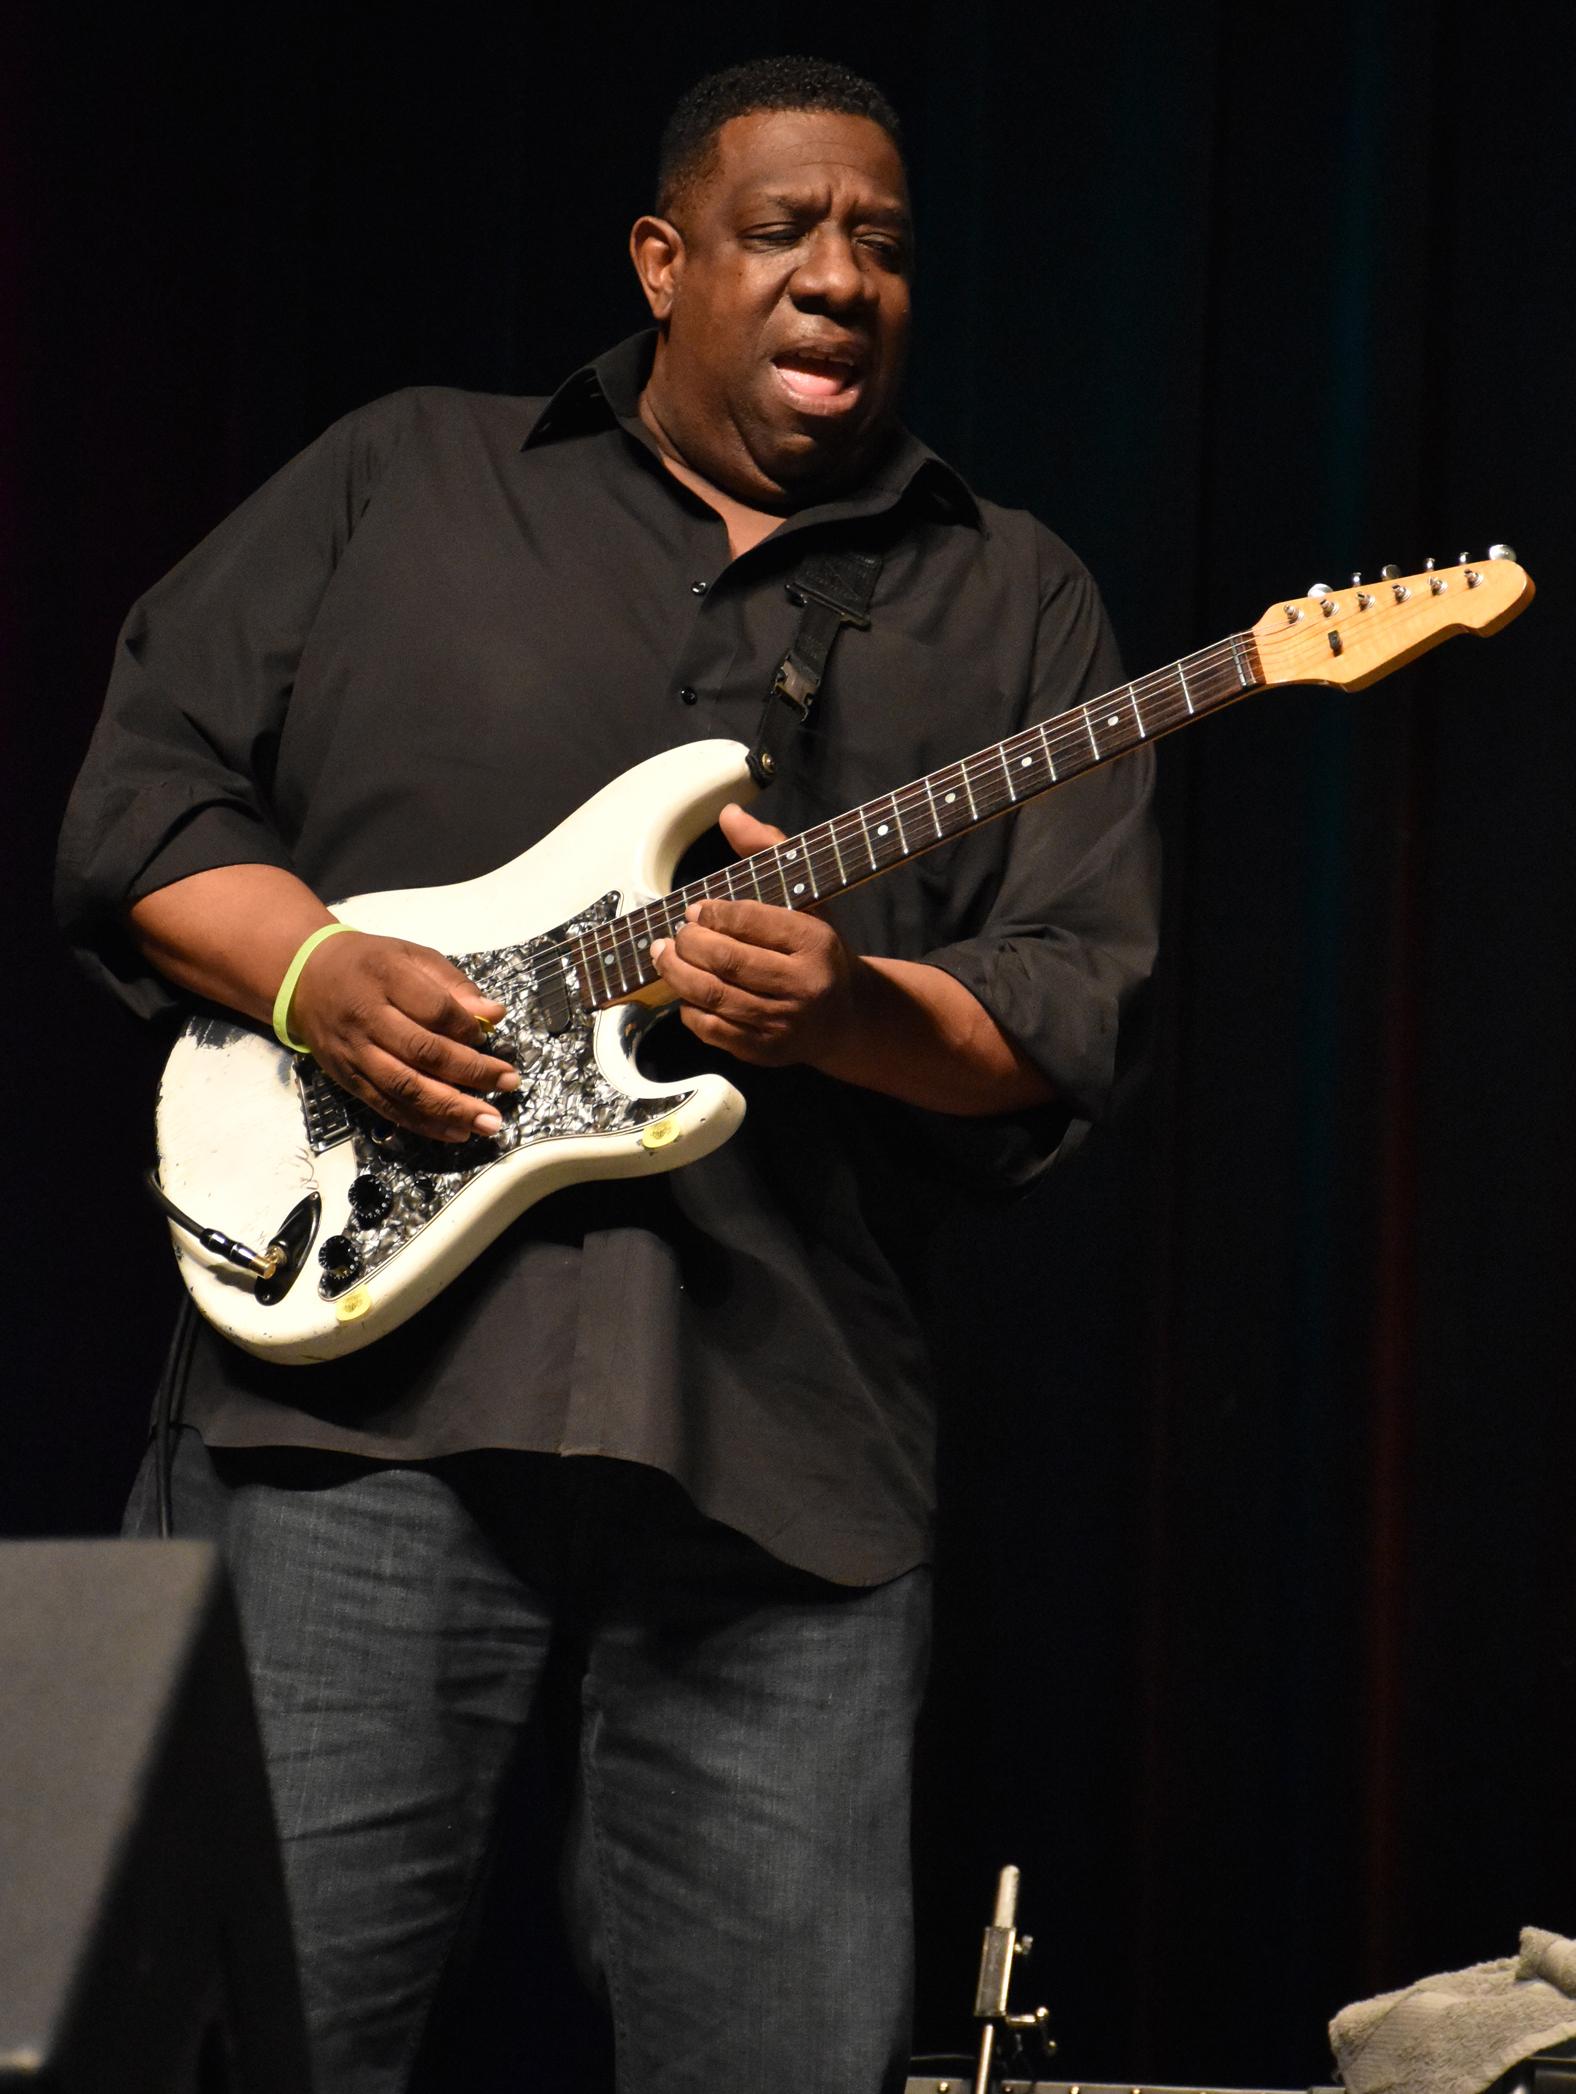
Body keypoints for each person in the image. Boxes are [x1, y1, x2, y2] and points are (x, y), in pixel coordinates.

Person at [56, 55, 1159, 2094]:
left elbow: (1064, 1015)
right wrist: (309, 971)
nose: (839, 275)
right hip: (343, 1417)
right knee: (224, 2033)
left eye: (882, 244)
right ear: (661, 262)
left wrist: (844, 1014)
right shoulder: (401, 473)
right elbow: (139, 804)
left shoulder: (1018, 595)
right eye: (781, 230)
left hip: (781, 1465)